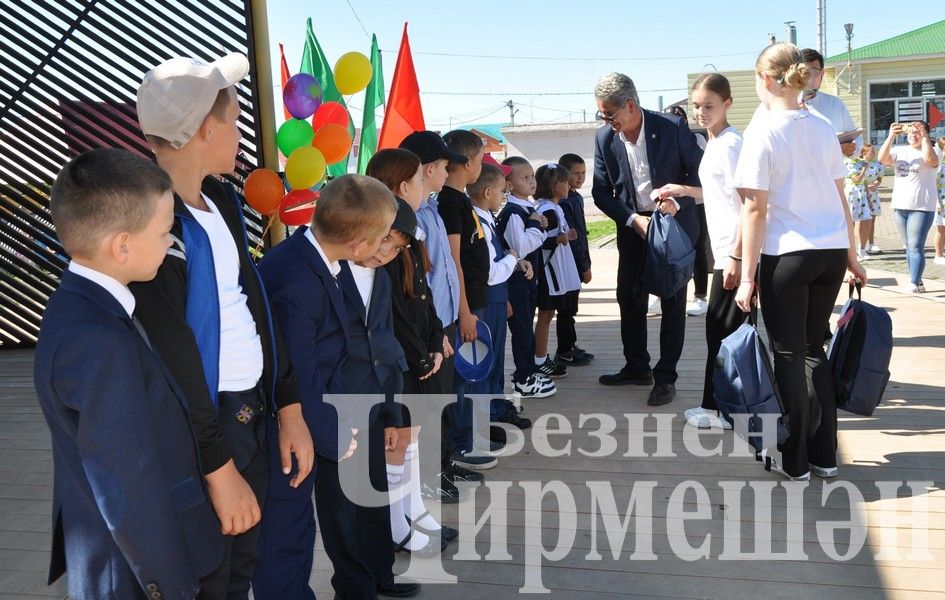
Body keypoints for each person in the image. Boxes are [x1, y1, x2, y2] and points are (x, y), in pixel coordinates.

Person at [133, 53, 313, 598]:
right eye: (235, 121)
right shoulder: (148, 219)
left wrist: (288, 405)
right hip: (204, 425)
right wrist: (216, 463)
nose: (239, 134)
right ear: (207, 129)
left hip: (251, 405)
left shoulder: (223, 200)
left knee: (245, 558)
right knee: (213, 568)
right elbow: (173, 350)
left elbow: (252, 303)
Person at [35, 148, 224, 599]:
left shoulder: (85, 306)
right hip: (137, 572)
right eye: (164, 232)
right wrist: (171, 585)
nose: (169, 242)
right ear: (122, 245)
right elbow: (126, 485)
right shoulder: (99, 340)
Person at [255, 175, 396, 599]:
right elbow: (299, 370)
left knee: (300, 534)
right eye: (382, 239)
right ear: (359, 244)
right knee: (287, 542)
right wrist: (334, 436)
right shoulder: (296, 280)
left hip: (314, 414)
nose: (383, 247)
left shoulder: (314, 260)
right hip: (284, 428)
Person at [733, 42, 867, 481]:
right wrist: (852, 255)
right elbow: (840, 197)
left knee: (788, 356)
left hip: (787, 254)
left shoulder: (764, 131)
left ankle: (794, 460)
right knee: (814, 351)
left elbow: (754, 209)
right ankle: (825, 456)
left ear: (766, 80)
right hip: (829, 252)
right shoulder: (823, 126)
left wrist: (747, 278)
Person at [365, 148, 459, 552]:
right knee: (399, 442)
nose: (425, 186)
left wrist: (437, 337)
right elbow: (394, 310)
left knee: (412, 438)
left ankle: (415, 512)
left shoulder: (409, 229)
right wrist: (421, 355)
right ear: (403, 186)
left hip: (422, 351)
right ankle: (398, 526)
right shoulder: (382, 238)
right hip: (404, 361)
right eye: (421, 179)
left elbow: (422, 299)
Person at [591, 72, 703, 406]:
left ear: (629, 105)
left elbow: (698, 174)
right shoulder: (603, 139)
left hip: (674, 225)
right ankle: (637, 366)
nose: (605, 121)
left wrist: (678, 200)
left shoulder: (671, 127)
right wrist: (632, 220)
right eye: (601, 114)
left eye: (609, 114)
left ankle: (665, 378)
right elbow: (600, 191)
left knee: (671, 302)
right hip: (633, 227)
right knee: (629, 296)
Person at [656, 73, 741, 431]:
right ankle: (718, 405)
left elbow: (750, 203)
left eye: (709, 105)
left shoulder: (733, 143)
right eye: (696, 106)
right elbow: (719, 193)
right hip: (724, 248)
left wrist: (739, 257)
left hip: (732, 252)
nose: (701, 112)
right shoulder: (716, 142)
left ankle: (721, 409)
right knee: (721, 331)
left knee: (723, 331)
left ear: (727, 104)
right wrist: (685, 192)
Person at [467, 160, 535, 430]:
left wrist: (514, 262)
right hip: (485, 301)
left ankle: (495, 408)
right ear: (486, 193)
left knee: (495, 360)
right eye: (500, 191)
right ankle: (488, 418)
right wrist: (513, 258)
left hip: (496, 299)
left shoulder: (487, 219)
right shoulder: (476, 222)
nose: (503, 196)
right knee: (486, 362)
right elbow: (490, 272)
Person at [498, 156, 558, 399]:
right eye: (525, 177)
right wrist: (537, 227)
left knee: (526, 325)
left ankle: (530, 370)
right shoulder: (513, 212)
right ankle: (523, 377)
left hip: (527, 278)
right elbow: (519, 248)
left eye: (532, 176)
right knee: (522, 328)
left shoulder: (525, 208)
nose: (532, 181)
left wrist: (537, 225)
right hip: (516, 281)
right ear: (509, 185)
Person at [877, 120, 939, 293]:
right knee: (908, 246)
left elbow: (930, 160)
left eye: (917, 132)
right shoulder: (900, 151)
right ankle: (918, 281)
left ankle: (913, 282)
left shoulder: (934, 151)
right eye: (910, 132)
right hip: (900, 205)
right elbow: (882, 159)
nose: (913, 135)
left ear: (925, 133)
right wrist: (890, 136)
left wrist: (925, 137)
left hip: (921, 206)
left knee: (915, 245)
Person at [533, 163, 582, 379]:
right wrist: (561, 238)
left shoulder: (554, 206)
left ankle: (541, 358)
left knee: (548, 314)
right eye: (563, 181)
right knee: (545, 315)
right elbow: (541, 241)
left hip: (556, 268)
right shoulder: (548, 210)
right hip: (550, 270)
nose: (567, 184)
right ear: (553, 186)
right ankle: (539, 360)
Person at [556, 154, 595, 366]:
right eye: (575, 174)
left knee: (571, 308)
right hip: (567, 262)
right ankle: (564, 350)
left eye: (583, 173)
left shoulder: (577, 198)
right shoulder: (563, 202)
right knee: (566, 309)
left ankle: (570, 346)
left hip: (578, 260)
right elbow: (573, 238)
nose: (580, 178)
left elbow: (582, 235)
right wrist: (584, 266)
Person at [800, 48, 861, 154]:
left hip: (832, 170)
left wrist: (850, 150)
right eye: (805, 72)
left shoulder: (835, 105)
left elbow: (858, 144)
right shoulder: (784, 106)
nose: (809, 78)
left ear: (822, 74)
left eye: (814, 72)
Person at [842, 138, 872, 258]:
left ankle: (862, 248)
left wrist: (869, 198)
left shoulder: (860, 162)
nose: (852, 150)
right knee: (851, 223)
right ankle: (851, 251)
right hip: (851, 194)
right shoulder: (845, 162)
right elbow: (857, 179)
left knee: (866, 220)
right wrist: (864, 168)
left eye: (854, 148)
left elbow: (863, 182)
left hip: (862, 195)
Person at [861, 144, 885, 255]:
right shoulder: (859, 164)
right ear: (864, 152)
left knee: (872, 220)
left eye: (873, 151)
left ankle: (871, 244)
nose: (873, 153)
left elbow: (880, 178)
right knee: (862, 221)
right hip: (861, 194)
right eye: (871, 151)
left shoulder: (877, 164)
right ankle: (861, 245)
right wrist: (866, 186)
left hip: (873, 195)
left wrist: (877, 183)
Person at [933, 138, 945, 265]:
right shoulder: (940, 165)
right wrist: (937, 201)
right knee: (941, 228)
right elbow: (933, 183)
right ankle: (938, 254)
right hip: (942, 198)